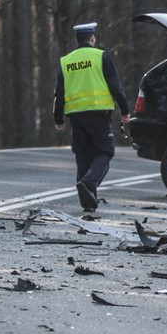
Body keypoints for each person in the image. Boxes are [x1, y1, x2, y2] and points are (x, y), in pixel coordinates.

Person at [53, 22, 131, 212]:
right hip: (98, 113)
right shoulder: (100, 56)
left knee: (83, 155)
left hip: (75, 116)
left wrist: (58, 117)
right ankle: (89, 183)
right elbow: (115, 86)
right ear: (92, 38)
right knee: (105, 152)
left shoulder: (66, 60)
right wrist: (125, 109)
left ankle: (87, 201)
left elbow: (59, 92)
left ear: (77, 39)